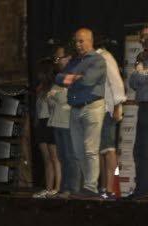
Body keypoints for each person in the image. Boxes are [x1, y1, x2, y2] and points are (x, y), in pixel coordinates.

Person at [55, 28, 107, 197]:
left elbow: (88, 80)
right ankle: (88, 184)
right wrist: (75, 77)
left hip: (92, 107)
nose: (77, 44)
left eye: (81, 41)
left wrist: (71, 78)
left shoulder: (98, 60)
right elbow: (58, 78)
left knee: (90, 149)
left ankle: (91, 187)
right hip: (75, 108)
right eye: (76, 41)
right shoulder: (75, 61)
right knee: (78, 151)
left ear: (90, 41)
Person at [96, 40, 126, 199]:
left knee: (109, 149)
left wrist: (116, 106)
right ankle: (103, 187)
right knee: (101, 150)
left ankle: (111, 188)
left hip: (109, 110)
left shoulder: (105, 57)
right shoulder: (93, 59)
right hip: (99, 110)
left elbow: (116, 82)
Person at [48, 47, 79, 197]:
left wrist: (56, 95)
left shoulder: (74, 73)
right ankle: (64, 187)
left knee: (70, 156)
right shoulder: (60, 76)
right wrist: (56, 95)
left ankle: (73, 189)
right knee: (62, 156)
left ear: (68, 57)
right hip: (57, 121)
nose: (57, 62)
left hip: (68, 122)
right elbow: (50, 98)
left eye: (59, 58)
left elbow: (65, 97)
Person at [34, 59, 61, 198]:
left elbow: (58, 106)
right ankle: (48, 188)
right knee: (46, 159)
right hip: (42, 123)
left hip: (51, 122)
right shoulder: (40, 88)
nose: (38, 75)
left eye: (40, 72)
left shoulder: (55, 87)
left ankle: (57, 188)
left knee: (54, 157)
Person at [130, 26, 148, 198]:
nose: (144, 39)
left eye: (147, 36)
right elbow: (133, 82)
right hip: (143, 107)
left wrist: (142, 74)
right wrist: (142, 75)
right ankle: (142, 189)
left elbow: (140, 78)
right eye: (142, 36)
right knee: (141, 150)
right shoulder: (141, 56)